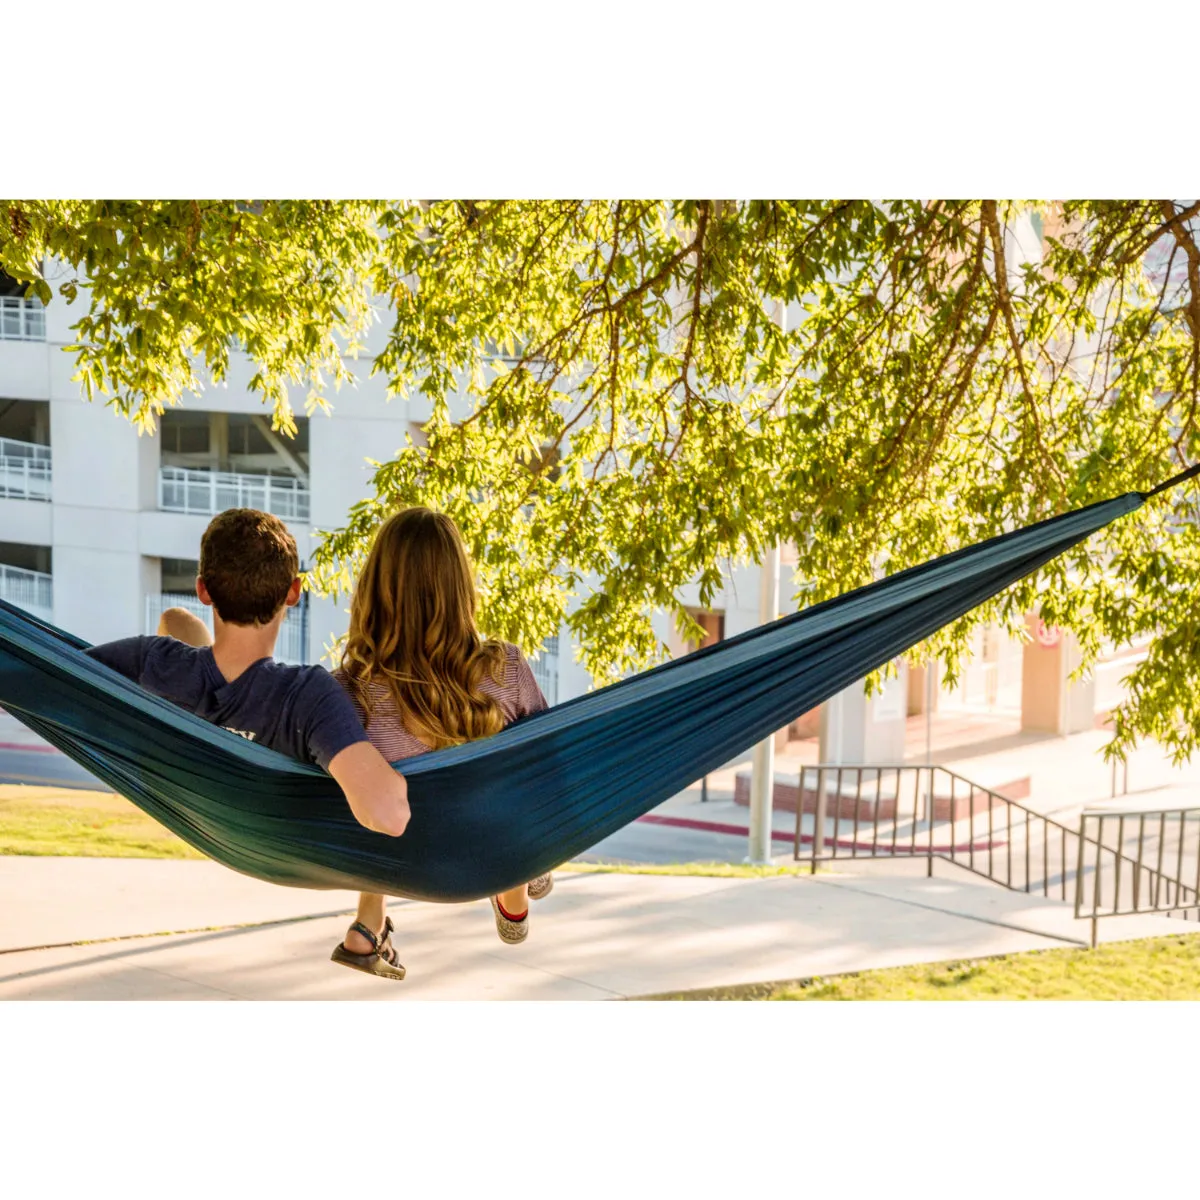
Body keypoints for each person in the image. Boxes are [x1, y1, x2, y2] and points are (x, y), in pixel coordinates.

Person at [85, 508, 412, 980]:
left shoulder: (151, 661)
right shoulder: (308, 698)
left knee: (176, 627)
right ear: (293, 593)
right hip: (277, 838)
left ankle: (212, 676)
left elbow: (57, 676)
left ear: (203, 589)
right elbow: (390, 814)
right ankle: (370, 923)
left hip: (198, 785)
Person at [331, 506, 552, 979]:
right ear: (460, 588)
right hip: (483, 847)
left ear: (374, 587)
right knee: (523, 754)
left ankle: (369, 920)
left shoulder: (346, 691)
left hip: (396, 857)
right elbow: (549, 759)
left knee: (369, 779)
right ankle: (516, 873)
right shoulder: (506, 668)